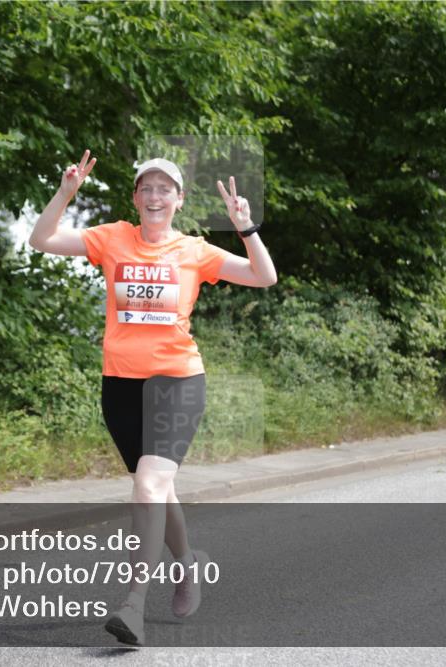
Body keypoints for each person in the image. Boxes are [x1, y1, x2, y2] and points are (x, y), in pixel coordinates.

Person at [29, 149, 277, 647]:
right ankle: (186, 565)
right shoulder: (112, 238)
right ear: (136, 198)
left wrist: (245, 228)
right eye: (148, 187)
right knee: (158, 489)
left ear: (179, 200)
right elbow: (42, 240)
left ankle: (134, 605)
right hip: (120, 385)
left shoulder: (194, 251)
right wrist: (65, 193)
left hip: (177, 382)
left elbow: (263, 276)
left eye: (166, 188)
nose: (156, 195)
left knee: (147, 486)